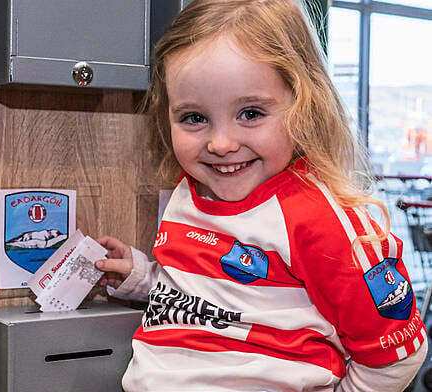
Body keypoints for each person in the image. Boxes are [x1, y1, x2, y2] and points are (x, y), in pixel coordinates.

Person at [94, 0, 428, 390]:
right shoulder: (191, 188)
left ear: (306, 105)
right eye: (194, 118)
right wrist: (144, 279)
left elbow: (397, 356)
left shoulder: (320, 219)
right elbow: (217, 301)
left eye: (250, 113)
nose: (220, 144)